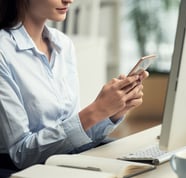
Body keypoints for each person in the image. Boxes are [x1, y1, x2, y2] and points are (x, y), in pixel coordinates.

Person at [0, 0, 149, 172]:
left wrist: (113, 112)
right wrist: (96, 110)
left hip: (65, 159)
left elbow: (73, 137)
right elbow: (22, 155)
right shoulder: (4, 52)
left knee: (143, 166)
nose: (69, 0)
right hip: (23, 170)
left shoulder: (63, 45)